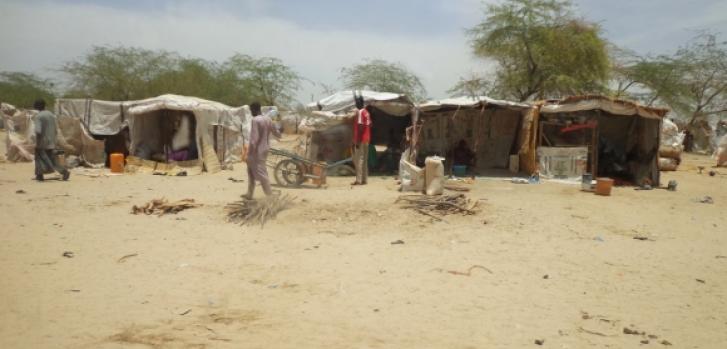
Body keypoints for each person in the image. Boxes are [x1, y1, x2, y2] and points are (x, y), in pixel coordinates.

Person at [243, 102, 281, 199]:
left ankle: (269, 195)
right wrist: (280, 134)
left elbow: (253, 140)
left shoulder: (255, 120)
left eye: (251, 110)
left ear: (254, 110)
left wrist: (249, 153)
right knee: (250, 171)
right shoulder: (268, 119)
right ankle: (249, 194)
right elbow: (276, 132)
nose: (251, 112)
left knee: (261, 173)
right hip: (265, 149)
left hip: (256, 151)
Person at [33, 99, 70, 181]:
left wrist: (37, 142)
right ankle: (64, 172)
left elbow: (38, 131)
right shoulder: (51, 115)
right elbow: (56, 129)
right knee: (52, 159)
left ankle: (39, 175)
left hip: (42, 142)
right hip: (51, 141)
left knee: (39, 159)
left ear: (37, 106)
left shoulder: (39, 116)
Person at [351, 93, 371, 185]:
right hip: (367, 139)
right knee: (365, 159)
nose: (355, 105)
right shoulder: (367, 113)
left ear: (359, 103)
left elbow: (360, 126)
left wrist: (358, 141)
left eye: (356, 103)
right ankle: (364, 180)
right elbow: (370, 124)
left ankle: (358, 180)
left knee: (359, 159)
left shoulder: (360, 112)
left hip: (361, 139)